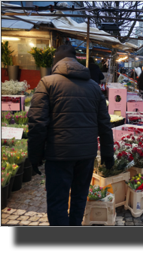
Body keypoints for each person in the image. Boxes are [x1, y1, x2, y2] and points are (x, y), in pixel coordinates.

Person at [27, 45, 114, 226]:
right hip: (86, 155)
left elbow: (37, 123)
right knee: (79, 198)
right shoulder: (93, 87)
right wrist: (107, 152)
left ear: (57, 62)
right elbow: (104, 123)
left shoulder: (47, 82)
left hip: (59, 154)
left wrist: (35, 155)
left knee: (57, 201)